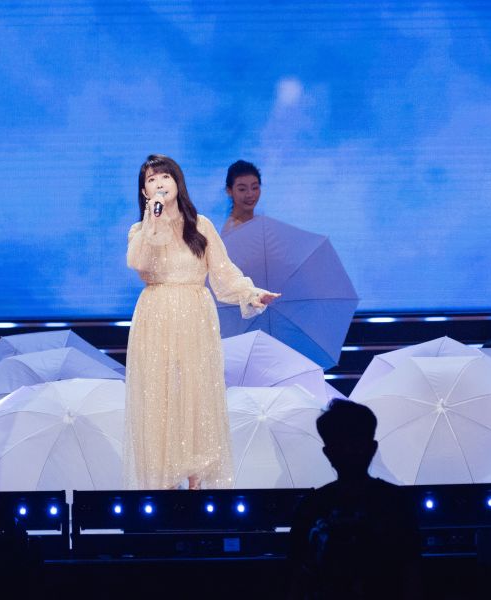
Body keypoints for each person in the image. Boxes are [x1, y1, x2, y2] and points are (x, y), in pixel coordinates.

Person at [124, 154, 280, 490]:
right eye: (152, 179)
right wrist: (153, 221)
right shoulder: (140, 230)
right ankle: (163, 486)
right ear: (144, 191)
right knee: (160, 397)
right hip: (155, 316)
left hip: (195, 316)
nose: (160, 183)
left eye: (165, 176)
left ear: (177, 182)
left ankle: (196, 484)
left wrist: (251, 293)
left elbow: (224, 274)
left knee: (196, 395)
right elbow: (137, 262)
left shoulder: (201, 225)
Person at [287, 400, 422, 599]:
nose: (349, 451)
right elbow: (411, 574)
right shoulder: (396, 502)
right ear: (373, 448)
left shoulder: (311, 506)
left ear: (327, 453)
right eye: (341, 445)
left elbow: (298, 577)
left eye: (355, 443)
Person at [221, 160, 262, 234]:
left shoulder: (258, 221)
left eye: (254, 187)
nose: (250, 194)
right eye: (242, 189)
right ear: (229, 191)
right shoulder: (233, 229)